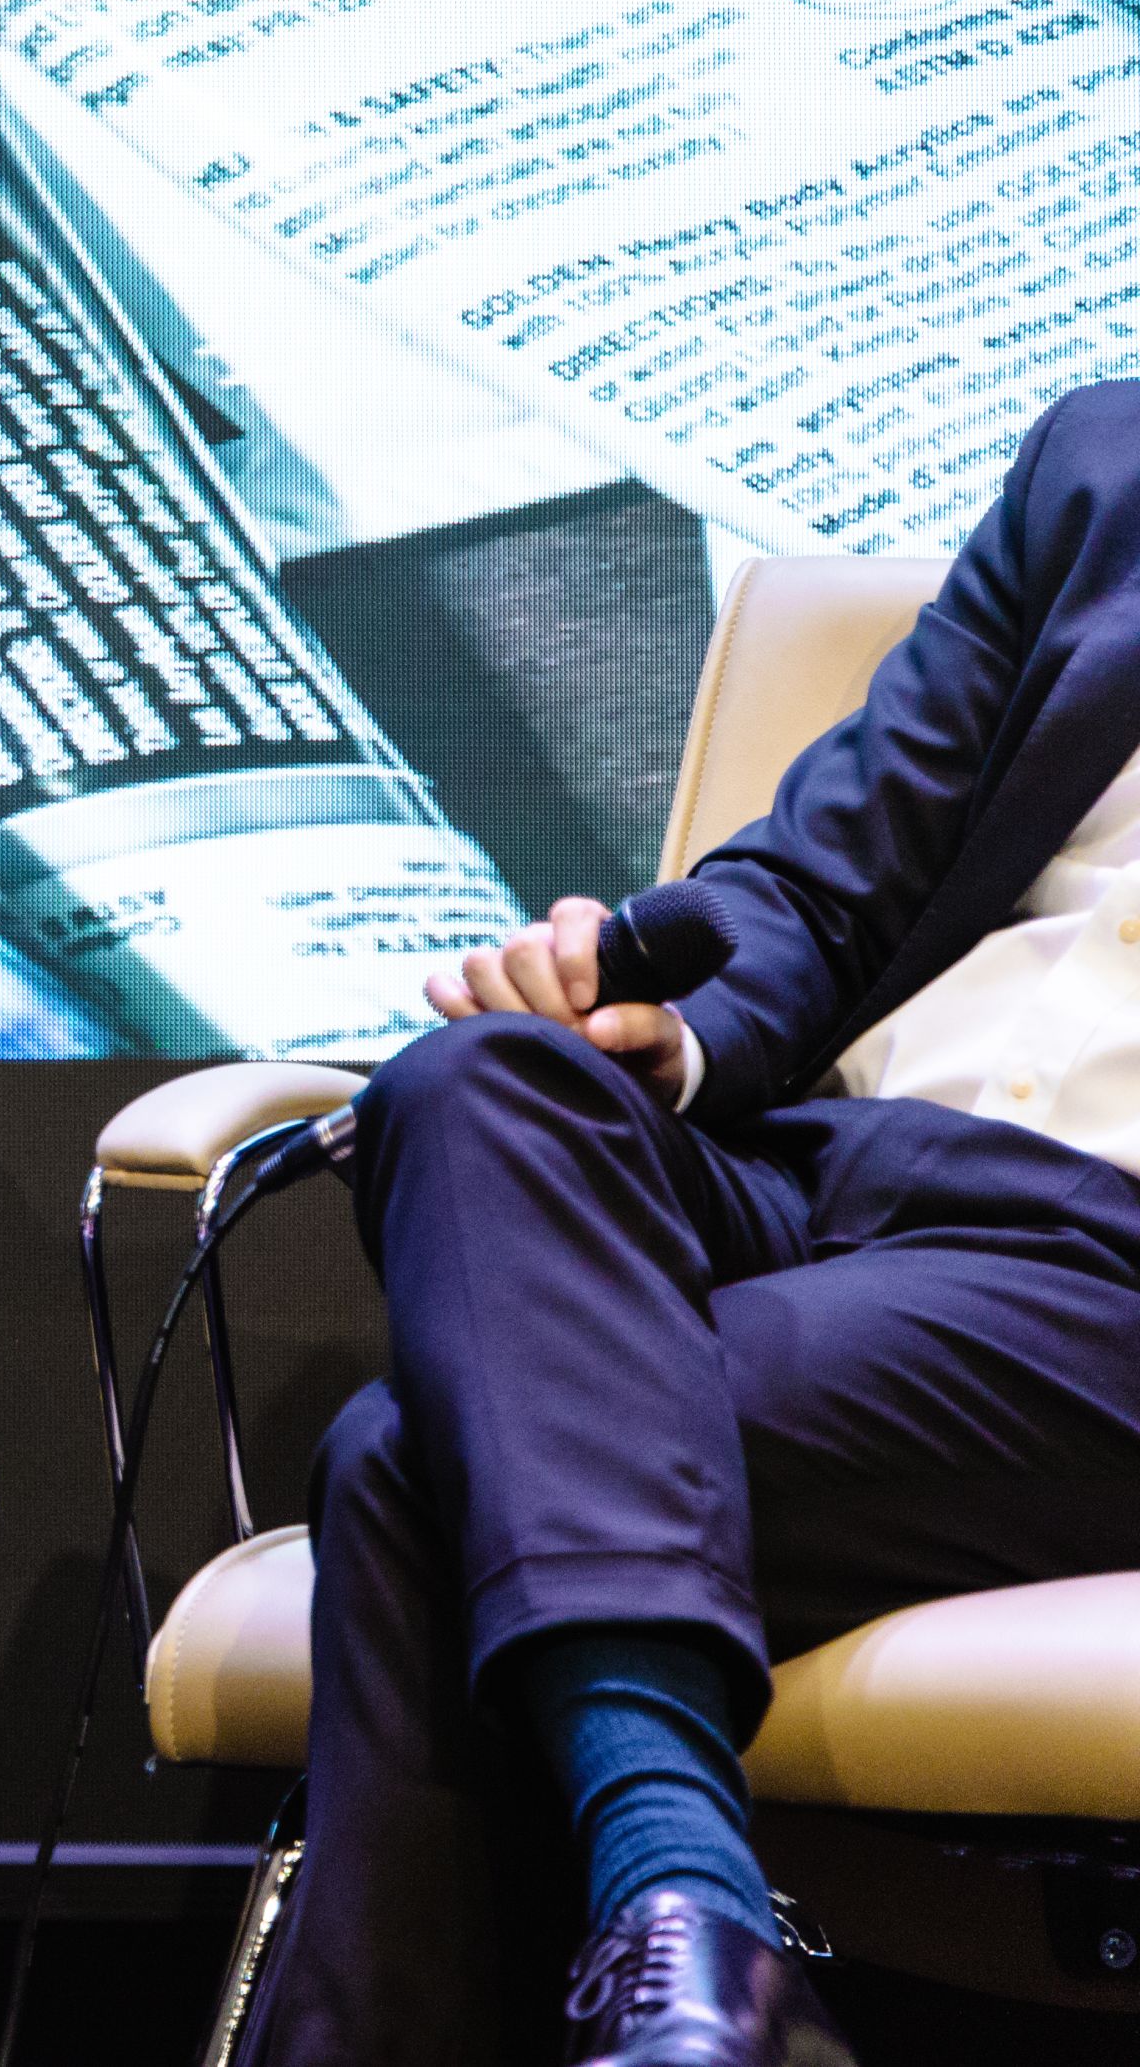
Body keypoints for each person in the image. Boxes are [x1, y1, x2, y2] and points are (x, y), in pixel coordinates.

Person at [257, 381, 1140, 2067]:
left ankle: (676, 1900)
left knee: (410, 1462)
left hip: (1109, 1266)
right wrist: (667, 1025)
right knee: (478, 1080)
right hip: (845, 1172)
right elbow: (822, 879)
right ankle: (702, 1958)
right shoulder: (1107, 459)